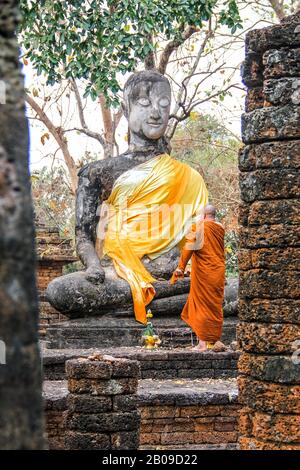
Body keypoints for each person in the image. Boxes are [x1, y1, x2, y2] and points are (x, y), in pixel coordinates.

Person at [171, 204, 225, 351]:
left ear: (203, 216)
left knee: (202, 306)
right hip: (218, 272)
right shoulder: (220, 228)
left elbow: (189, 247)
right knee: (215, 306)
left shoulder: (199, 227)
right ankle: (214, 341)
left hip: (204, 273)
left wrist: (181, 267)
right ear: (214, 215)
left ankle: (202, 344)